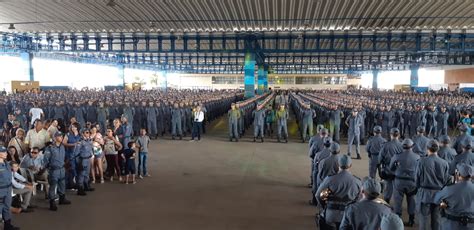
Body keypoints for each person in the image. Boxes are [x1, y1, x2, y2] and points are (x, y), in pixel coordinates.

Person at [315, 155, 362, 229]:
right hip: (348, 216)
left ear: (338, 164)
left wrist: (324, 206)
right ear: (350, 165)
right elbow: (359, 201)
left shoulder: (330, 179)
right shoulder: (357, 181)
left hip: (331, 215)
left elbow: (318, 195)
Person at [415, 139, 450, 230]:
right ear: (438, 149)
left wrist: (419, 188)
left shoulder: (421, 161)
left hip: (425, 193)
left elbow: (417, 178)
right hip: (438, 194)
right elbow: (446, 181)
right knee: (437, 219)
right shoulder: (444, 163)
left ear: (427, 148)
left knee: (423, 219)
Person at [389, 138, 420, 226]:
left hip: (399, 181)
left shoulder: (397, 156)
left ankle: (398, 220)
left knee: (398, 201)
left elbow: (391, 168)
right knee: (411, 200)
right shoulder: (417, 157)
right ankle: (411, 219)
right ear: (412, 146)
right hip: (412, 182)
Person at [435, 163, 474, 230]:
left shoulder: (449, 189)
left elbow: (436, 199)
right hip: (471, 224)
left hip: (452, 224)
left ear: (458, 174)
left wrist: (443, 204)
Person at [43, 131, 71, 211]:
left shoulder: (62, 146)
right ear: (55, 138)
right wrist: (48, 168)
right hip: (54, 170)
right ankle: (52, 202)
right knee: (53, 186)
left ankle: (62, 198)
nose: (61, 137)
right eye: (59, 136)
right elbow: (45, 160)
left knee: (62, 184)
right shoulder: (50, 148)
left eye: (61, 136)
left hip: (62, 168)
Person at [378, 128, 403, 204]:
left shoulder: (386, 145)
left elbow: (380, 158)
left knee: (388, 187)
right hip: (398, 170)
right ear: (398, 135)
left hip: (388, 169)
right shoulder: (402, 145)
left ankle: (386, 201)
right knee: (397, 188)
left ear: (391, 135)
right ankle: (397, 205)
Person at [0, 146, 20, 230]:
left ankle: (7, 226)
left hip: (8, 189)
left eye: (5, 152)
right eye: (3, 152)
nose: (6, 153)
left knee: (7, 207)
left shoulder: (6, 163)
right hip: (1, 189)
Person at [74, 129, 95, 196]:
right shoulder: (80, 142)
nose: (88, 134)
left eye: (89, 132)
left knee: (87, 174)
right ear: (83, 134)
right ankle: (80, 189)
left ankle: (86, 186)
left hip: (88, 159)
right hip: (82, 160)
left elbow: (91, 150)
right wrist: (78, 163)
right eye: (86, 132)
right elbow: (76, 153)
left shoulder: (89, 141)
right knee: (81, 174)